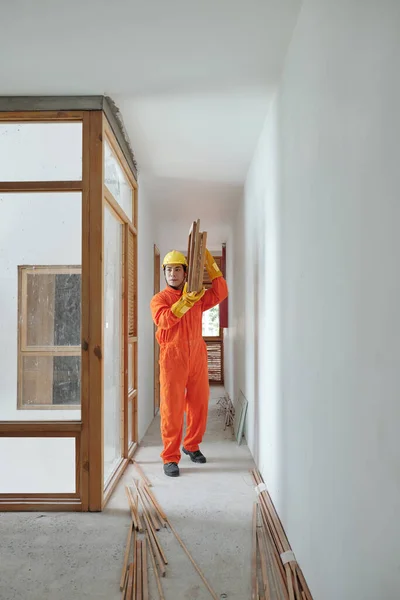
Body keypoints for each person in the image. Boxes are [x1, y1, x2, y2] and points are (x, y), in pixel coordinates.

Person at [150, 249, 228, 477]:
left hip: (197, 356)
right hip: (172, 358)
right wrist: (185, 301)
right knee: (172, 409)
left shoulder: (197, 296)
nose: (172, 274)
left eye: (177, 269)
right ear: (164, 273)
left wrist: (209, 262)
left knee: (199, 404)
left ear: (185, 272)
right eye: (169, 270)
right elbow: (164, 320)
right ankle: (170, 457)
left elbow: (222, 292)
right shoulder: (160, 299)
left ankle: (191, 446)